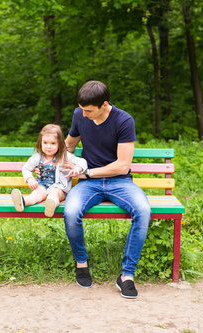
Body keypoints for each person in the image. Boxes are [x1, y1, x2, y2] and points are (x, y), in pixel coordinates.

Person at [63, 80, 151, 298]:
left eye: (88, 111)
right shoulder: (79, 115)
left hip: (119, 181)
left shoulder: (123, 120)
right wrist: (45, 164)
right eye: (82, 110)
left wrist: (89, 172)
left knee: (143, 211)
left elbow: (122, 165)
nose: (83, 115)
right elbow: (67, 147)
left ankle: (127, 276)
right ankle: (81, 264)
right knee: (71, 212)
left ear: (104, 104)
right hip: (88, 184)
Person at [11, 124, 88, 218]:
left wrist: (78, 168)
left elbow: (82, 161)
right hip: (42, 185)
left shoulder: (64, 156)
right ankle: (22, 202)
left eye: (53, 143)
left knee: (54, 194)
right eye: (45, 143)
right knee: (37, 194)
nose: (48, 147)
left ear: (59, 144)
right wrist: (30, 178)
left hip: (60, 187)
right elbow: (26, 168)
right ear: (41, 143)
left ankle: (50, 205)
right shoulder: (37, 157)